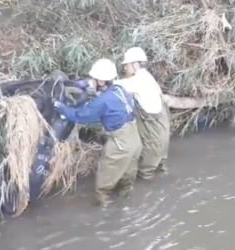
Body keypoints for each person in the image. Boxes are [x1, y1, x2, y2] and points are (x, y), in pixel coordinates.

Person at [54, 58, 142, 207]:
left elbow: (81, 116)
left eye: (94, 79)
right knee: (127, 176)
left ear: (101, 81)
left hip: (121, 143)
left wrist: (61, 107)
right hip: (135, 140)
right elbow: (111, 106)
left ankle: (105, 211)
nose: (91, 81)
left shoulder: (103, 101)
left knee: (103, 182)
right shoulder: (120, 89)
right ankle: (127, 202)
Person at [114, 47, 171, 180]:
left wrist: (94, 83)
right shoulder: (147, 77)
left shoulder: (139, 81)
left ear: (135, 64)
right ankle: (160, 171)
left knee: (146, 170)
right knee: (158, 159)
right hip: (162, 130)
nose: (125, 69)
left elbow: (116, 85)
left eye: (126, 65)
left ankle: (147, 182)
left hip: (153, 129)